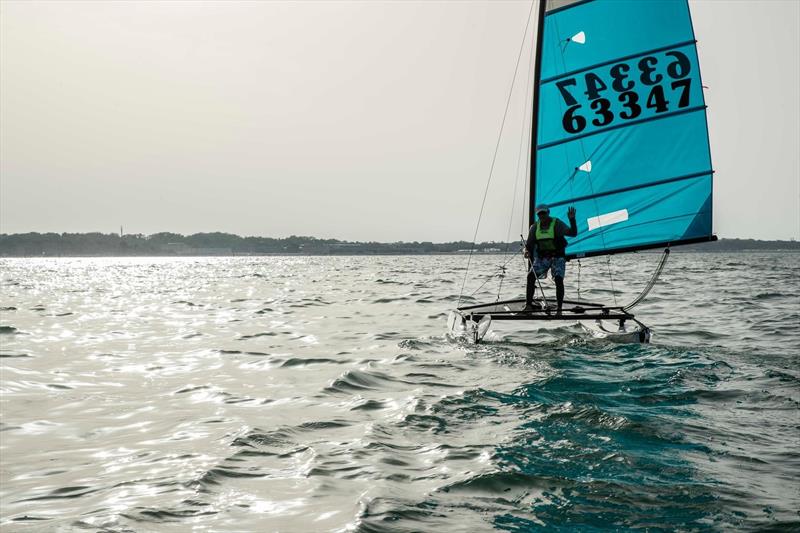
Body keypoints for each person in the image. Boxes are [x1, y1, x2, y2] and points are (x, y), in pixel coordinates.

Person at [523, 204, 578, 315]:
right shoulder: (534, 227)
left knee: (558, 279)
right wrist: (526, 251)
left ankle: (559, 309)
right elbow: (529, 245)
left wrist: (572, 219)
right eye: (539, 214)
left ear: (548, 213)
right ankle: (528, 305)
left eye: (544, 213)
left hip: (558, 257)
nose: (542, 215)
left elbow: (573, 233)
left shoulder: (556, 224)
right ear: (537, 215)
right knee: (530, 276)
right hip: (543, 258)